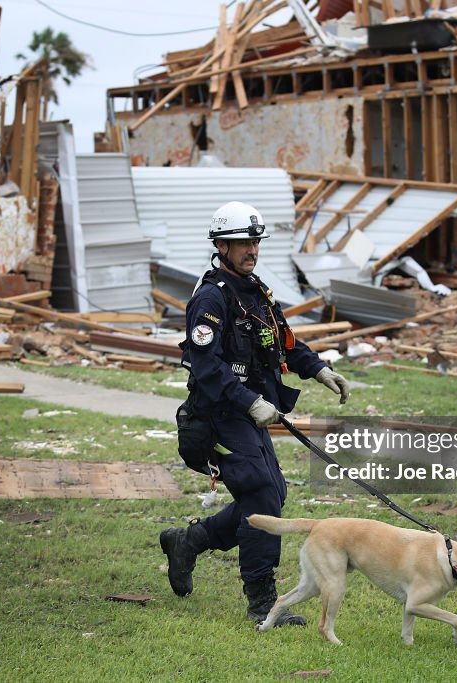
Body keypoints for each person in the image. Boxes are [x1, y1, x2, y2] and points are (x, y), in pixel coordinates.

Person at [160, 201, 351, 626]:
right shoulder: (210, 299)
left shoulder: (257, 291)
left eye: (255, 241)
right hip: (217, 418)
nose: (252, 249)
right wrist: (249, 401)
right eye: (243, 242)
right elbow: (206, 367)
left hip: (250, 415)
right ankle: (262, 602)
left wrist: (319, 370)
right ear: (221, 245)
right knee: (263, 494)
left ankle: (187, 542)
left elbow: (282, 342)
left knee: (270, 496)